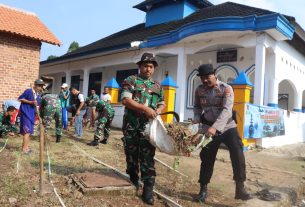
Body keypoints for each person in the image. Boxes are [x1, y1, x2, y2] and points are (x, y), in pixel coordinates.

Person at [192, 64, 251, 202]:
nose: (205, 80)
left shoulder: (226, 88)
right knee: (206, 158)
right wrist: (196, 118)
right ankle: (203, 189)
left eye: (207, 77)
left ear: (214, 74)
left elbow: (227, 110)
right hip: (208, 128)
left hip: (228, 128)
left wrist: (216, 127)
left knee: (237, 154)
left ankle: (240, 188)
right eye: (202, 78)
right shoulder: (199, 90)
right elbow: (196, 106)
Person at [121, 53, 165, 205]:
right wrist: (145, 109)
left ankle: (148, 189)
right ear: (139, 66)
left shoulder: (157, 86)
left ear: (154, 68)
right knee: (131, 154)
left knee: (147, 157)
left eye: (151, 66)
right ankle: (133, 177)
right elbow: (126, 100)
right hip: (131, 126)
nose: (148, 69)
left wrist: (158, 110)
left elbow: (162, 103)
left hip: (148, 128)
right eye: (145, 66)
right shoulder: (131, 80)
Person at [18, 79, 45, 154]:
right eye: (39, 85)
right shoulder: (29, 91)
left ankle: (26, 147)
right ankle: (24, 149)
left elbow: (37, 107)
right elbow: (20, 98)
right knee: (27, 132)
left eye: (41, 86)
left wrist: (37, 117)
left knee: (29, 132)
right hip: (26, 113)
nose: (40, 87)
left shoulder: (38, 95)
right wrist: (31, 102)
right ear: (35, 85)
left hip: (32, 115)